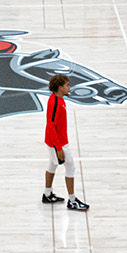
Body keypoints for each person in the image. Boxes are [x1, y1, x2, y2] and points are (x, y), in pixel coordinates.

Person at [42, 73, 89, 210]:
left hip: (55, 142)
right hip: (58, 143)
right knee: (70, 167)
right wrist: (59, 148)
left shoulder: (59, 100)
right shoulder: (55, 103)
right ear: (60, 87)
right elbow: (51, 126)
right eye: (67, 85)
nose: (69, 87)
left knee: (52, 165)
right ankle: (72, 201)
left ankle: (47, 194)